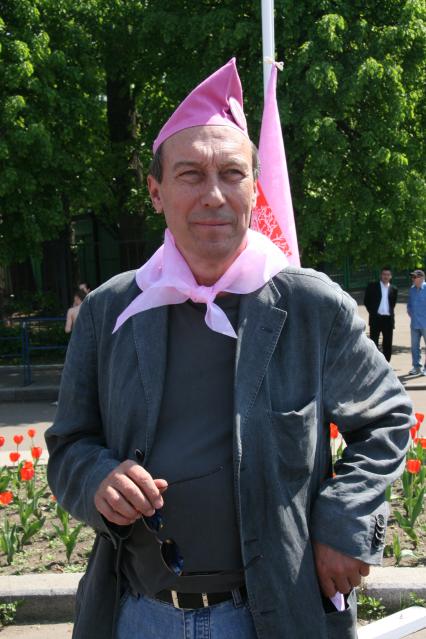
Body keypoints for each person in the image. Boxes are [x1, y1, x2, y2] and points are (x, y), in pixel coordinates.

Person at [46, 59, 413, 639]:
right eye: (190, 174)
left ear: (253, 188)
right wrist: (96, 479)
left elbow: (387, 419)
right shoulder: (108, 311)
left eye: (232, 174)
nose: (213, 195)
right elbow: (69, 444)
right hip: (137, 614)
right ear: (156, 192)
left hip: (275, 616)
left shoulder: (311, 306)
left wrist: (343, 522)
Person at [363, 267, 398, 362]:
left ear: (391, 276)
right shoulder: (372, 286)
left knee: (387, 343)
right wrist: (373, 312)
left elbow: (392, 304)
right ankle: (373, 363)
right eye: (384, 274)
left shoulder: (394, 289)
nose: (386, 276)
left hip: (388, 320)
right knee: (373, 343)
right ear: (381, 275)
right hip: (376, 319)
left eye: (388, 275)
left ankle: (386, 364)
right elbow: (366, 301)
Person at [407, 269, 426, 375]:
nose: (413, 279)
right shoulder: (412, 289)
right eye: (412, 277)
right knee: (414, 346)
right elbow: (409, 304)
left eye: (415, 277)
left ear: (422, 278)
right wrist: (409, 311)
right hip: (414, 323)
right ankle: (416, 367)